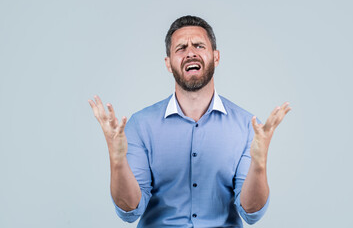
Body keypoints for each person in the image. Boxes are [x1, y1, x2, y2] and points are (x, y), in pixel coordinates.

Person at [88, 15, 291, 227]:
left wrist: (259, 164)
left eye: (199, 46)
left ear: (216, 56)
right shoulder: (140, 125)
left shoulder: (248, 127)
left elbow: (251, 213)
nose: (190, 52)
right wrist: (117, 160)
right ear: (168, 63)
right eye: (181, 48)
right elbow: (129, 210)